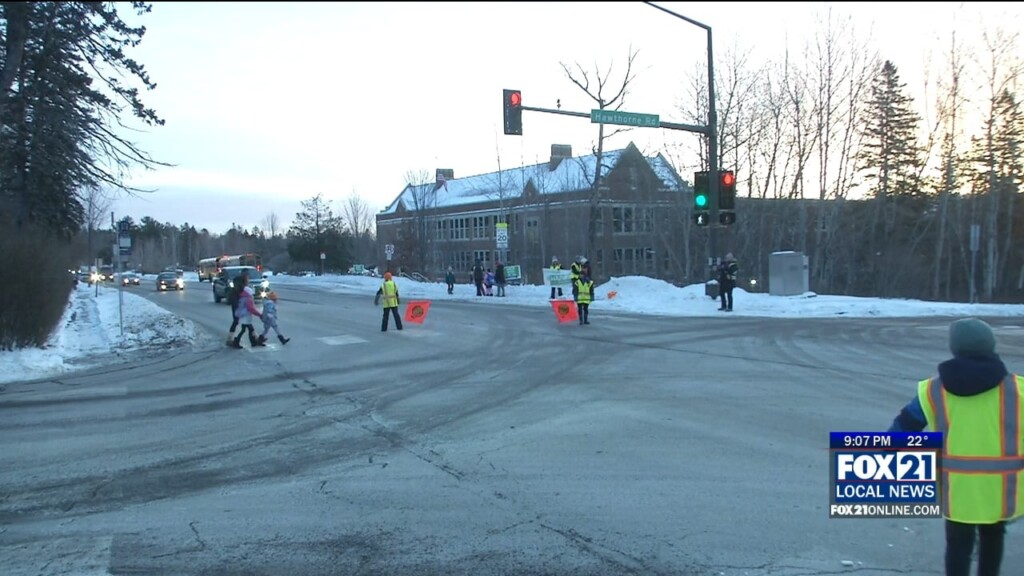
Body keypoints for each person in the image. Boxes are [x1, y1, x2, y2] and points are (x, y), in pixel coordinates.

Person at [887, 318, 1023, 576]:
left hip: (957, 490)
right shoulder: (1019, 390)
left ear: (955, 348)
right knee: (993, 538)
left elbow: (903, 428)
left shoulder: (933, 390)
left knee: (958, 545)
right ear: (990, 345)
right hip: (1001, 489)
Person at [229, 275, 263, 349]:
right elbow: (250, 308)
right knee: (242, 326)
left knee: (245, 326)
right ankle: (236, 340)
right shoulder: (246, 294)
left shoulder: (238, 291)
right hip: (243, 313)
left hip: (239, 311)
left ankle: (254, 339)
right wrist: (259, 314)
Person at [225, 271, 246, 345]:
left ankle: (231, 338)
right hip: (238, 308)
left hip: (237, 307)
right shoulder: (238, 289)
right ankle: (232, 339)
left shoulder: (235, 289)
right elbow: (234, 300)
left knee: (240, 322)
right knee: (239, 322)